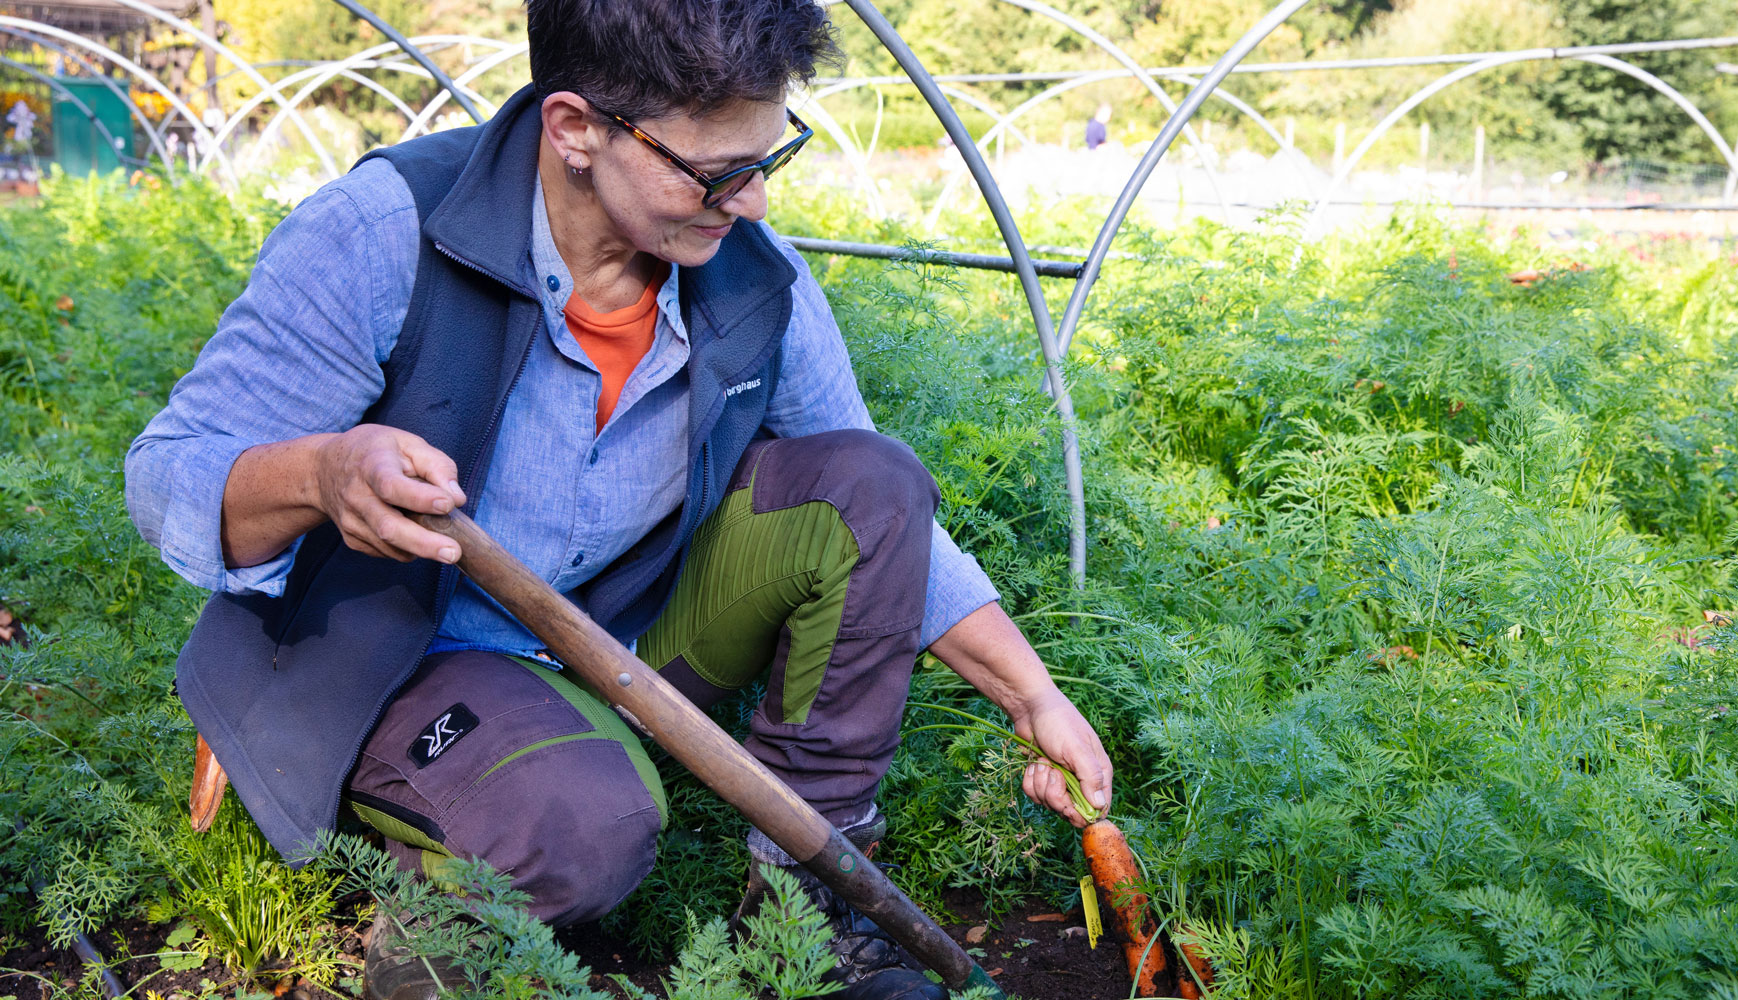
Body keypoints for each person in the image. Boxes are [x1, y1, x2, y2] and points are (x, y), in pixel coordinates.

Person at [122, 2, 1113, 999]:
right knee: (578, 823)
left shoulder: (752, 277)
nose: (754, 200)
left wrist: (1033, 698)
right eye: (716, 170)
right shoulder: (383, 234)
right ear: (575, 130)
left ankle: (803, 923)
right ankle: (433, 934)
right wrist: (321, 474)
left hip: (619, 636)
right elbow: (170, 473)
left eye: (769, 156)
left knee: (872, 482)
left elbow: (884, 521)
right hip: (395, 656)